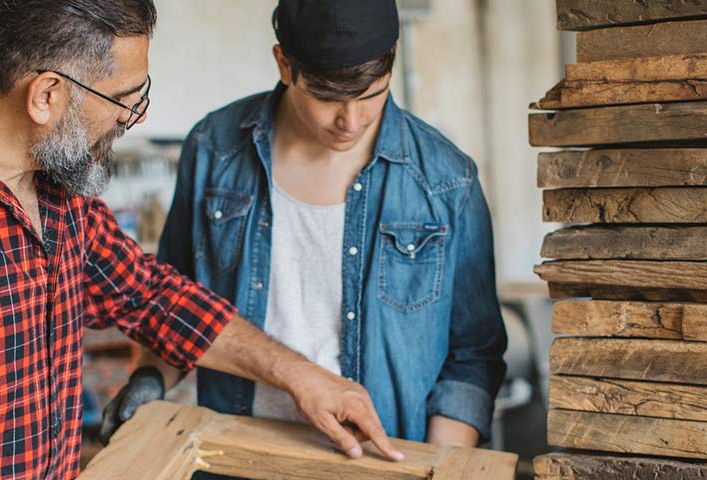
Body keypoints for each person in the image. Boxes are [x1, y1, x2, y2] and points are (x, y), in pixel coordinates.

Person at [0, 1, 402, 478]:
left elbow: (150, 297)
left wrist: (304, 377)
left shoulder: (56, 188)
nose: (127, 118)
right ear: (47, 95)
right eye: (124, 101)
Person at [103, 0, 507, 455]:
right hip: (236, 453)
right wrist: (152, 377)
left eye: (371, 93)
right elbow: (173, 304)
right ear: (284, 64)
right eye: (327, 97)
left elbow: (473, 355)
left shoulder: (445, 180)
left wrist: (439, 465)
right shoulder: (214, 149)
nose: (349, 121)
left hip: (382, 461)